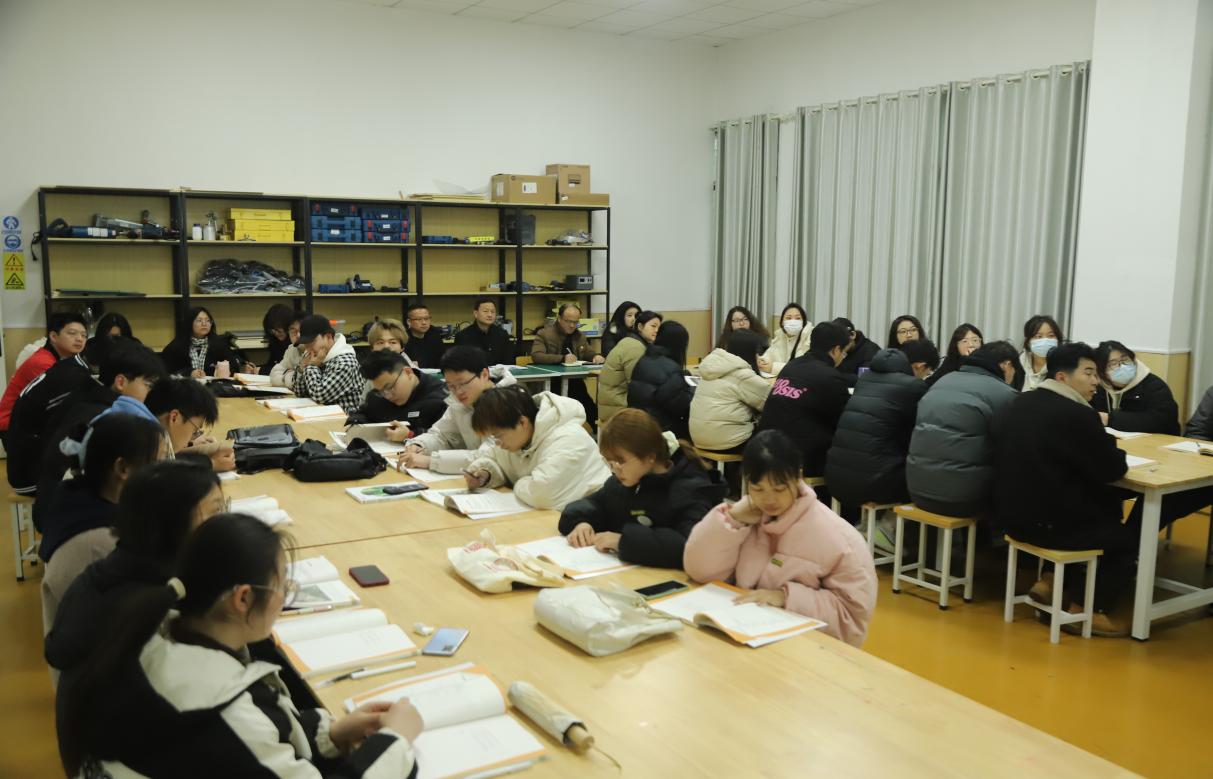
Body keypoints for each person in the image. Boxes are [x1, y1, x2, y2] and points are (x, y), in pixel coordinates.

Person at [55, 513, 421, 778]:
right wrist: (395, 740)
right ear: (243, 598)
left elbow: (254, 741)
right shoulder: (223, 712)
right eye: (283, 587)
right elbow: (244, 736)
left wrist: (332, 733)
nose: (285, 598)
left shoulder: (149, 634)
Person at [683, 430, 877, 648]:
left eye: (779, 489)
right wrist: (732, 520)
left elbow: (851, 618)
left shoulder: (839, 538)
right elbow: (700, 571)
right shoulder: (746, 515)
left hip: (805, 648)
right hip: (742, 632)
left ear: (798, 478)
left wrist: (785, 597)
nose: (769, 499)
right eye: (758, 489)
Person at [996, 343, 1134, 635]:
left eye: (1096, 374)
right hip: (1051, 526)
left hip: (1011, 518)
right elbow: (1113, 469)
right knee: (1125, 539)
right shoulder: (1077, 414)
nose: (1096, 381)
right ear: (1062, 377)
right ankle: (1087, 610)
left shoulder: (1019, 402)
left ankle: (1049, 581)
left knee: (1078, 505)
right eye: (1089, 373)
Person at [46, 461, 224, 675]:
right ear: (174, 521)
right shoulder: (153, 600)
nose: (224, 520)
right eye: (216, 510)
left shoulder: (123, 564)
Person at [39, 414, 166, 636]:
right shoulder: (101, 543)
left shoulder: (77, 500)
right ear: (123, 468)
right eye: (158, 462)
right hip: (102, 653)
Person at [559, 409, 725, 568]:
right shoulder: (626, 481)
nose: (615, 470)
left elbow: (691, 544)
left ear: (650, 456)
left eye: (621, 461)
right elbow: (592, 504)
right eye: (610, 462)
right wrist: (582, 522)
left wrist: (622, 541)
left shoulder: (690, 487)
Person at [10, 343, 163, 498]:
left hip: (53, 492)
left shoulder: (91, 395)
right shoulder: (103, 416)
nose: (152, 393)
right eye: (148, 385)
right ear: (121, 382)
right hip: (53, 496)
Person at [906, 341, 1019, 518]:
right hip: (963, 500)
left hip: (917, 490)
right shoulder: (1005, 394)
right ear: (1007, 365)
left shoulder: (943, 380)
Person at [463, 385, 610, 510]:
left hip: (596, 519)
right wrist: (486, 473)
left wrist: (518, 483)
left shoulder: (568, 439)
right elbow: (494, 458)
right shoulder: (516, 438)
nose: (497, 443)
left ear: (522, 422)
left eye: (498, 436)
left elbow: (542, 494)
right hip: (555, 517)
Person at [825, 347, 929, 508]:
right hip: (875, 485)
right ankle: (890, 524)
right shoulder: (914, 385)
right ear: (916, 367)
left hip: (835, 479)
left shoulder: (864, 380)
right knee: (927, 484)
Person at [398, 346, 518, 474]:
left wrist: (431, 461)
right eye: (451, 386)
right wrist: (420, 445)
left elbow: (490, 455)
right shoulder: (460, 403)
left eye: (463, 384)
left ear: (484, 374)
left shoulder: (506, 402)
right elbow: (442, 435)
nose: (458, 392)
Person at [756, 321, 850, 480]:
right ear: (835, 350)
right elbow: (843, 423)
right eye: (844, 352)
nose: (843, 357)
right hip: (799, 458)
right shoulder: (831, 377)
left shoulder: (791, 366)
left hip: (765, 448)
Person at [0, 312, 88, 442]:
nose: (79, 339)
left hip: (31, 423)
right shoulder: (42, 363)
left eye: (84, 335)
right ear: (53, 336)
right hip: (14, 426)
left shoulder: (64, 360)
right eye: (72, 333)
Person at [689, 328, 768, 453]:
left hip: (698, 438)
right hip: (727, 442)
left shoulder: (712, 367)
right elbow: (769, 401)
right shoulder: (742, 375)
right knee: (772, 434)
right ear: (749, 352)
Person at [530, 302, 604, 425]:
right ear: (559, 318)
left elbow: (588, 351)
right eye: (568, 321)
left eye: (575, 322)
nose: (572, 325)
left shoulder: (579, 336)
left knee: (587, 405)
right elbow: (537, 355)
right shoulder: (544, 334)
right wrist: (562, 358)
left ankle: (600, 432)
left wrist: (596, 356)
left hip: (574, 381)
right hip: (550, 381)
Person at [350, 350, 447, 437]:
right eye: (381, 391)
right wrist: (354, 423)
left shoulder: (442, 399)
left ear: (408, 372)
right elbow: (364, 414)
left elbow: (447, 439)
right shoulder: (377, 395)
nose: (388, 396)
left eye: (390, 387)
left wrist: (411, 434)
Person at [1091, 340, 1180, 434]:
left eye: (1125, 360)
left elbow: (1160, 421)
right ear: (1102, 371)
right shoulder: (1099, 388)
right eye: (1113, 364)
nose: (1122, 366)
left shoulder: (1155, 386)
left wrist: (1110, 419)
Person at [628, 320, 694, 439]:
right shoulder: (671, 370)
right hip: (661, 431)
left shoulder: (644, 360)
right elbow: (681, 407)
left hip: (638, 425)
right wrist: (691, 389)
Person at [598, 310, 662, 425]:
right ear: (640, 327)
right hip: (619, 409)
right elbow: (638, 385)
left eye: (659, 327)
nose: (657, 330)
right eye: (653, 326)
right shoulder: (635, 348)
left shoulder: (632, 342)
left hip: (615, 404)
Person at [293, 314, 365, 413]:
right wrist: (301, 368)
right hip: (321, 416)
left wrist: (311, 366)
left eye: (312, 343)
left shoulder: (345, 363)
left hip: (345, 419)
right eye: (306, 344)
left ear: (328, 336)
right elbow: (299, 392)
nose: (308, 349)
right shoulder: (317, 356)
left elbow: (320, 396)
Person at [160, 306, 252, 378]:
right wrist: (189, 373)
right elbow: (165, 373)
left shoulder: (219, 344)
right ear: (189, 323)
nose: (204, 324)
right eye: (199, 320)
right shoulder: (176, 347)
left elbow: (233, 368)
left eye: (208, 320)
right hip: (185, 389)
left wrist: (223, 370)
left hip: (214, 388)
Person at [453, 297, 514, 366]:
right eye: (485, 311)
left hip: (498, 372)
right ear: (476, 314)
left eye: (492, 312)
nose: (490, 315)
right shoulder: (462, 336)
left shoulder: (502, 334)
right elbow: (458, 364)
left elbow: (509, 362)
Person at [756, 304, 808, 376]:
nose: (793, 322)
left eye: (798, 318)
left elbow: (803, 368)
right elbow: (768, 356)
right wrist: (761, 361)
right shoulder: (780, 336)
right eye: (788, 318)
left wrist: (773, 368)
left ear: (804, 322)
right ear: (782, 322)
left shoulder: (810, 338)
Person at [926, 323, 983, 388]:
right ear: (956, 346)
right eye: (964, 341)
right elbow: (929, 383)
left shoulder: (987, 362)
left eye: (975, 340)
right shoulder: (950, 362)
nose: (971, 345)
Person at [1018, 314, 1064, 391]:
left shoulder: (1063, 368)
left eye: (1051, 335)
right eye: (1038, 336)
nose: (1045, 340)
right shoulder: (1019, 364)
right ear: (1028, 341)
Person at [832, 317, 880, 387]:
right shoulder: (836, 350)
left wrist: (835, 376)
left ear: (853, 335)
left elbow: (865, 380)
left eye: (841, 339)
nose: (839, 344)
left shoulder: (870, 351)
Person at [403, 302, 447, 368]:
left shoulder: (434, 334)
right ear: (409, 322)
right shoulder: (404, 339)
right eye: (419, 319)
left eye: (426, 318)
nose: (424, 322)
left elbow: (444, 359)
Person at [261, 303, 297, 373]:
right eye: (272, 330)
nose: (276, 333)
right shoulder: (275, 341)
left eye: (278, 330)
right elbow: (273, 365)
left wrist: (261, 370)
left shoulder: (296, 344)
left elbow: (288, 370)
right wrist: (255, 368)